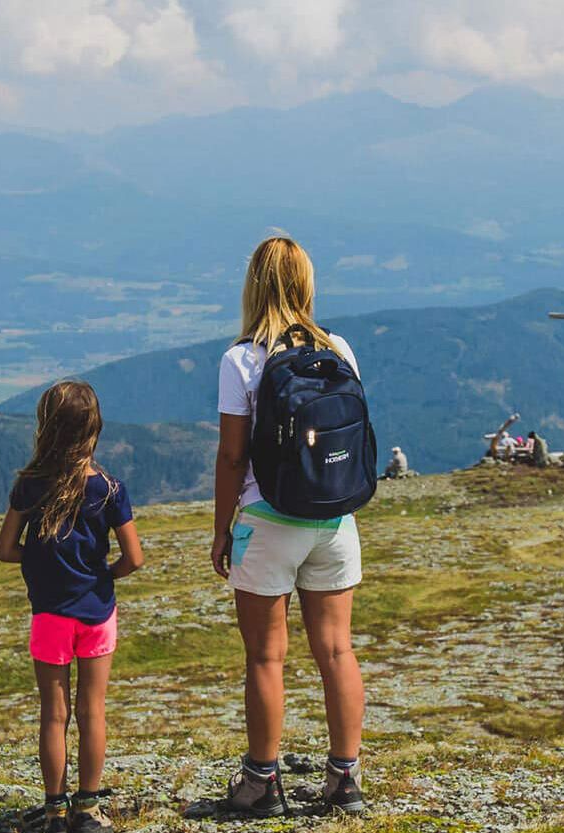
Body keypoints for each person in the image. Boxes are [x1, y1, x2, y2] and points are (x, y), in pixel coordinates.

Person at [194, 236, 369, 819]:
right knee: (337, 651)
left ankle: (260, 783)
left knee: (267, 658)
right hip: (334, 518)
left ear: (254, 285)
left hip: (268, 521)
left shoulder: (241, 359)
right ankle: (344, 778)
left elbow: (231, 457)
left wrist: (222, 530)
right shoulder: (337, 347)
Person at [0, 380, 145, 833]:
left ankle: (55, 809)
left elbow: (6, 549)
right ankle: (88, 809)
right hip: (97, 611)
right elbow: (134, 558)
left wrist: (43, 564)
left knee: (53, 714)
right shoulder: (109, 489)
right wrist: (101, 575)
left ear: (46, 427)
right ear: (94, 428)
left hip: (49, 613)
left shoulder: (29, 486)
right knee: (92, 712)